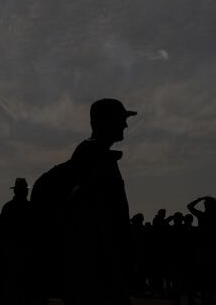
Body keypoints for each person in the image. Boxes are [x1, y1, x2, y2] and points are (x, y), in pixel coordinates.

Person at [63, 98, 136, 305]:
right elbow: (100, 213)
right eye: (121, 119)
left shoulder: (93, 153)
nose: (125, 125)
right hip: (98, 262)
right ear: (105, 121)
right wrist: (115, 261)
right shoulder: (95, 156)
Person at [0, 177, 32, 304]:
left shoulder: (9, 207)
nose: (26, 192)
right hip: (22, 249)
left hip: (11, 249)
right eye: (25, 190)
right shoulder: (28, 207)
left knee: (12, 282)